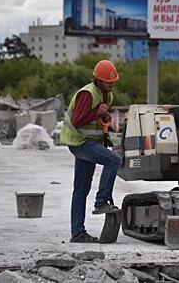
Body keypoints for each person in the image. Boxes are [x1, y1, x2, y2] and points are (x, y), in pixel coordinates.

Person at [60, 60, 122, 243]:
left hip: (89, 141)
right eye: (107, 81)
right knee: (113, 160)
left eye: (112, 81)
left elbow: (98, 118)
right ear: (98, 80)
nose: (111, 84)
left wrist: (104, 116)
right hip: (79, 142)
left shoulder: (107, 96)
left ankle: (77, 233)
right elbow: (78, 120)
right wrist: (97, 113)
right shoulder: (88, 94)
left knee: (80, 190)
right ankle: (101, 201)